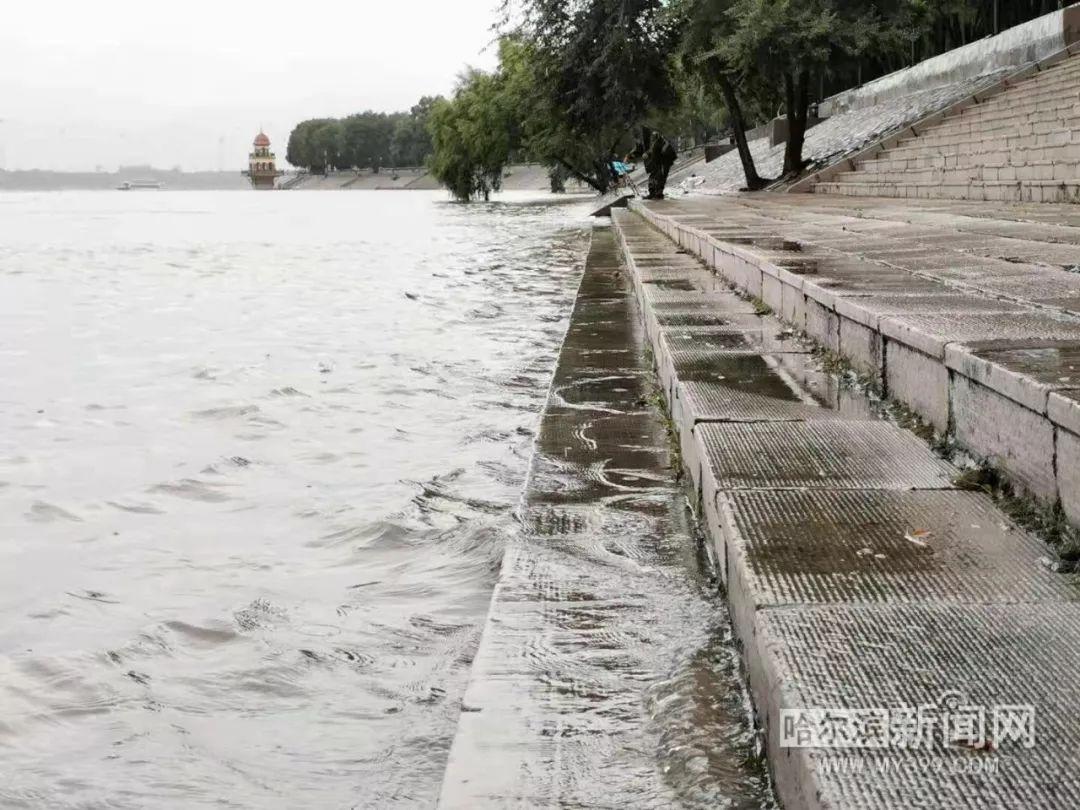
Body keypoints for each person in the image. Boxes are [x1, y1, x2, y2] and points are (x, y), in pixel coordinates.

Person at [631, 127, 678, 200]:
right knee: (659, 177)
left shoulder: (656, 141)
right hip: (664, 161)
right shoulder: (656, 140)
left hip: (664, 161)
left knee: (657, 177)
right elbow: (652, 150)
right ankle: (657, 193)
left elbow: (654, 151)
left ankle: (655, 193)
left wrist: (647, 155)